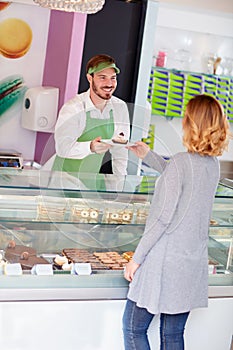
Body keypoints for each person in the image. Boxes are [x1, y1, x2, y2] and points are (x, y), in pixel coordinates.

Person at [122, 94, 231, 350]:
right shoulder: (212, 165)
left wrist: (135, 259)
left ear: (192, 123)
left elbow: (162, 219)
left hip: (164, 263)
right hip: (189, 264)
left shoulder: (182, 163)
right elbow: (182, 176)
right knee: (172, 335)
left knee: (132, 328)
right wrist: (148, 155)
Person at [52, 54, 130, 180]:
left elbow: (120, 151)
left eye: (113, 78)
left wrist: (120, 186)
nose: (109, 84)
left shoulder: (119, 108)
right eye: (102, 78)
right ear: (90, 78)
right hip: (63, 181)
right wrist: (90, 147)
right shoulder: (74, 108)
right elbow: (63, 148)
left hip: (90, 182)